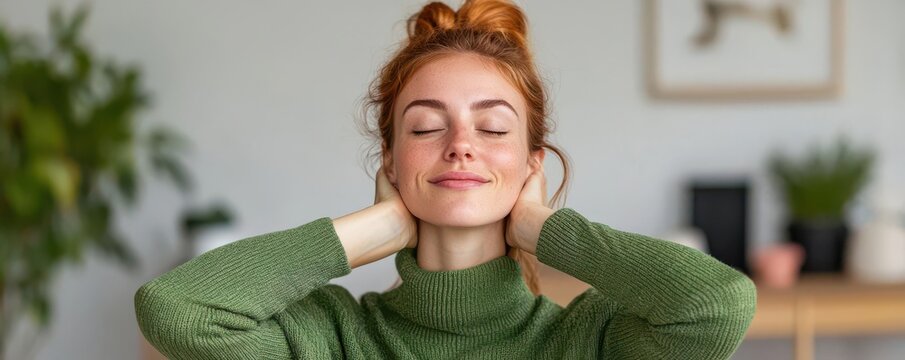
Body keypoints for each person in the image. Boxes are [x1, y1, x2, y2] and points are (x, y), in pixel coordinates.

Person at [134, 0, 757, 359]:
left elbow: (716, 305)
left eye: (492, 129)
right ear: (391, 161)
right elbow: (177, 309)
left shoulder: (586, 339)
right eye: (427, 127)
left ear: (531, 165)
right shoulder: (333, 337)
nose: (460, 147)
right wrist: (372, 231)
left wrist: (544, 230)